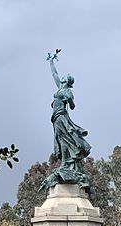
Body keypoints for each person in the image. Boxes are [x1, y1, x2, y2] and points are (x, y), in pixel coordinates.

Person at [39, 51, 92, 194]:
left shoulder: (67, 91)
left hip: (62, 117)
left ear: (67, 81)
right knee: (60, 140)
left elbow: (73, 106)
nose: (61, 77)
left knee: (66, 139)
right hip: (56, 119)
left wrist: (69, 99)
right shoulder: (60, 88)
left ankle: (66, 164)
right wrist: (51, 61)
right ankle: (64, 163)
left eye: (64, 78)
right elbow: (54, 74)